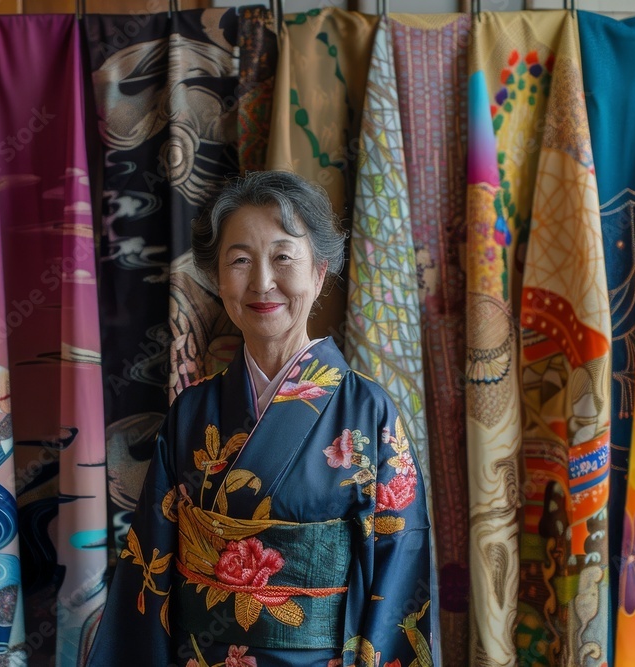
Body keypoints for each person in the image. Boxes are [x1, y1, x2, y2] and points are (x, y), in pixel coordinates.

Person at [88, 171, 433, 666]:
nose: (262, 282)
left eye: (283, 258)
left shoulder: (368, 412)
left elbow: (402, 569)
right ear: (218, 278)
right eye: (240, 261)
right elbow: (151, 570)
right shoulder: (193, 412)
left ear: (318, 271)